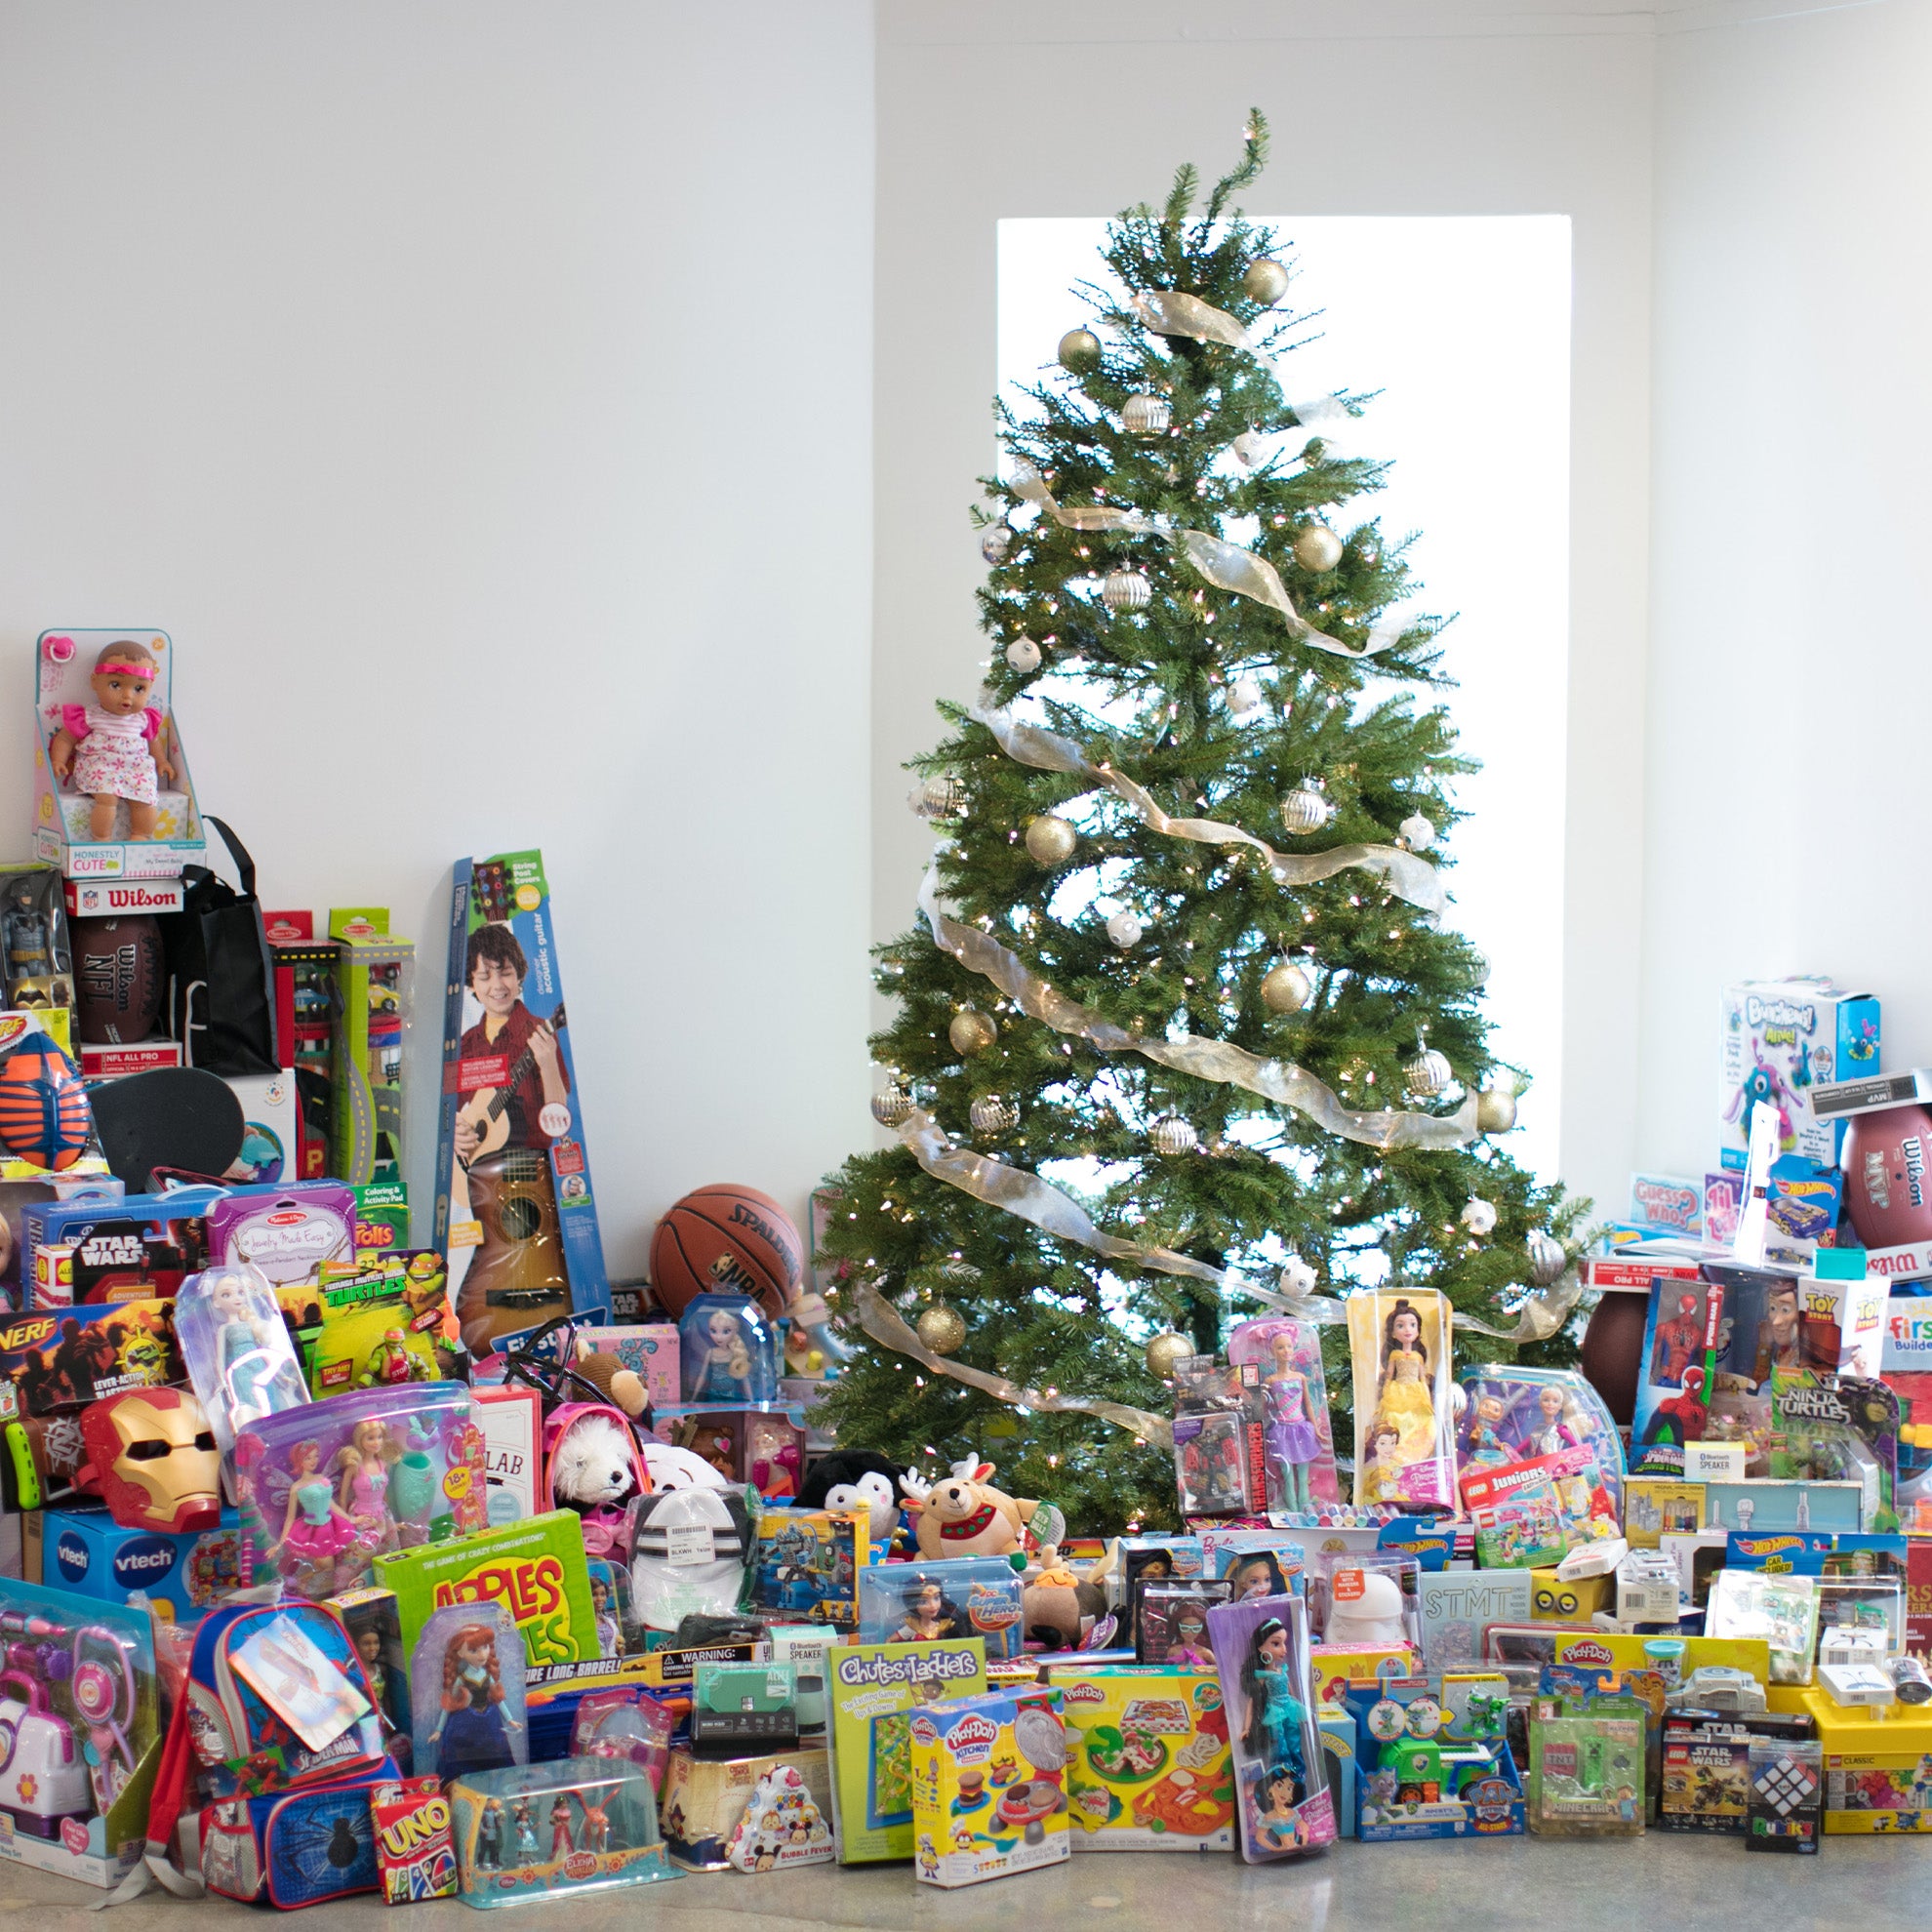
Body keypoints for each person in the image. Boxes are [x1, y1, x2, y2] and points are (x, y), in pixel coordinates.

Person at [454, 925, 568, 1158]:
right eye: (484, 977)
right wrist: (453, 1133)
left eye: (505, 972)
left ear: (519, 975)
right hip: (477, 1168)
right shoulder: (465, 1043)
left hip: (532, 1164)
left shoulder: (541, 1033)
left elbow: (560, 1117)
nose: (497, 986)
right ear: (471, 983)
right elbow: (449, 1109)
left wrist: (548, 1064)